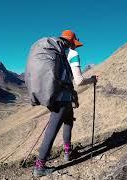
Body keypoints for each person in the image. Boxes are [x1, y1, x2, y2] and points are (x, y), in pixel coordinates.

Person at [28, 30, 97, 177]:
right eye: (75, 44)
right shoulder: (72, 54)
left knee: (68, 121)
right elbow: (79, 81)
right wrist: (92, 79)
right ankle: (39, 166)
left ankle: (67, 152)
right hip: (62, 98)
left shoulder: (57, 51)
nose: (76, 48)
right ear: (72, 42)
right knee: (53, 130)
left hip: (53, 94)